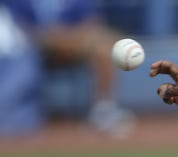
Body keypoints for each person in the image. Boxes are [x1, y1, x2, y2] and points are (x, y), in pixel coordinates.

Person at [4, 0, 134, 136]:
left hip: (70, 43)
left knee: (105, 46)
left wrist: (68, 37)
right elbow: (15, 24)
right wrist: (50, 36)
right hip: (27, 48)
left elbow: (92, 23)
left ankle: (103, 111)